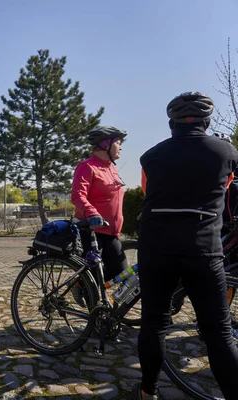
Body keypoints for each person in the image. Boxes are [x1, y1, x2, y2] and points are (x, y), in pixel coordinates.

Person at [134, 92, 238, 399]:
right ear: (207, 122)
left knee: (153, 323)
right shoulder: (227, 152)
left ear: (171, 124)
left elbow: (146, 191)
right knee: (218, 333)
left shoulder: (150, 157)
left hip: (156, 246)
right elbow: (226, 190)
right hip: (203, 247)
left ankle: (148, 392)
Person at [71, 126, 128, 284]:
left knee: (120, 271)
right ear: (105, 145)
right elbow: (77, 195)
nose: (121, 147)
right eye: (118, 142)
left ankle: (80, 284)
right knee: (94, 276)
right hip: (92, 231)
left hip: (111, 232)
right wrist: (92, 213)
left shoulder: (112, 169)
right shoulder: (87, 167)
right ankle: (85, 291)